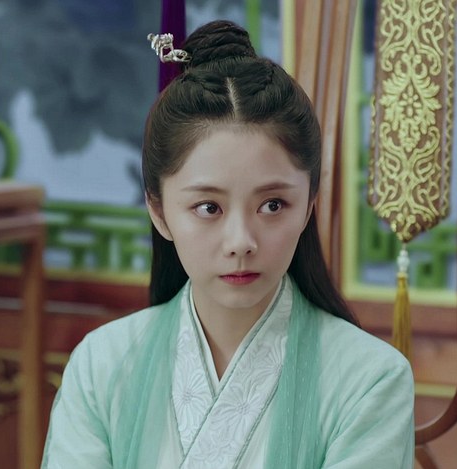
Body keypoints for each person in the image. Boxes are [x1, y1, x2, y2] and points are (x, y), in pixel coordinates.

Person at [42, 20, 414, 468]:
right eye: (208, 207)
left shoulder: (370, 379)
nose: (241, 242)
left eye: (273, 205)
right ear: (158, 211)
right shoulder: (101, 366)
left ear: (308, 205)